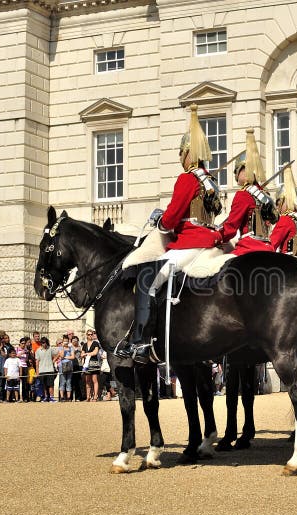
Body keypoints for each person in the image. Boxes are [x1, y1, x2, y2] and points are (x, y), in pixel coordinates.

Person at [117, 103, 223, 362]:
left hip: (190, 244)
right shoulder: (211, 182)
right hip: (209, 242)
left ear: (188, 154)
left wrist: (161, 222)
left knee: (146, 279)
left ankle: (141, 343)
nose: (180, 158)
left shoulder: (188, 178)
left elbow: (173, 216)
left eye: (181, 153)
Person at [218, 128, 279, 255]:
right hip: (268, 246)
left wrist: (217, 237)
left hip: (249, 247)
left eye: (237, 171)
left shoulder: (243, 195)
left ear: (243, 170)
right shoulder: (265, 195)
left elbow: (231, 228)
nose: (236, 177)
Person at [269, 164, 297, 257]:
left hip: (288, 262)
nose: (277, 207)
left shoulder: (285, 219)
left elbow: (272, 244)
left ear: (284, 201)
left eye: (278, 203)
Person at [82, 330, 101, 402]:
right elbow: (82, 354)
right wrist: (85, 354)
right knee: (87, 381)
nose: (90, 336)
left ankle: (95, 396)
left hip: (94, 363)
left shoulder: (95, 343)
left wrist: (86, 354)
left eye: (91, 334)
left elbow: (95, 352)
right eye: (89, 334)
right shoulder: (84, 345)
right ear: (86, 335)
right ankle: (88, 397)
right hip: (86, 364)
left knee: (94, 380)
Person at [35, 337, 56, 402]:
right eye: (43, 343)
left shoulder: (50, 349)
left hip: (50, 370)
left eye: (45, 342)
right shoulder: (38, 350)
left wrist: (53, 361)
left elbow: (57, 354)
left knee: (51, 385)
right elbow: (37, 362)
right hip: (42, 370)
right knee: (44, 385)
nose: (44, 344)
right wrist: (37, 372)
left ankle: (51, 397)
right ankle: (46, 397)